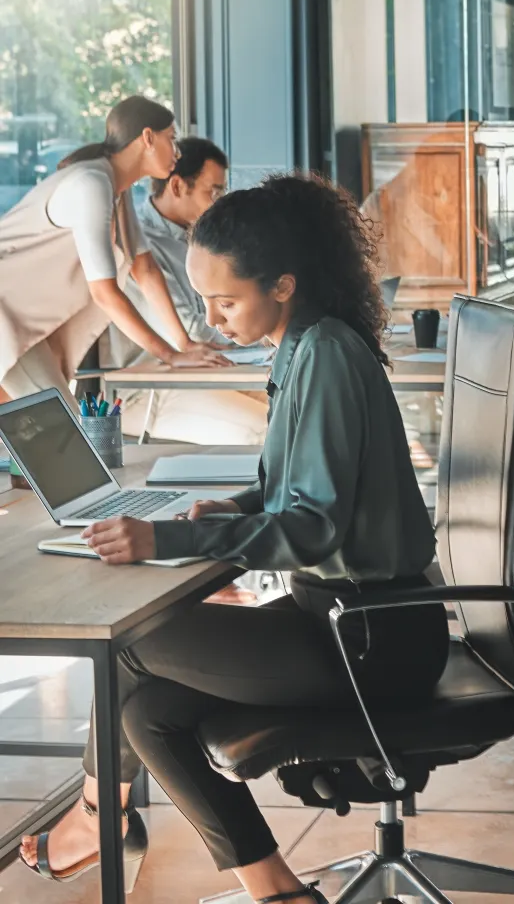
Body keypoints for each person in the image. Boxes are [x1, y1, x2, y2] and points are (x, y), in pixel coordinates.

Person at [19, 175, 445, 904]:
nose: (212, 320)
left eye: (226, 301)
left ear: (282, 284)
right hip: (345, 620)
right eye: (204, 301)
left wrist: (167, 540)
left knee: (121, 645)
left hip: (371, 636)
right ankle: (275, 889)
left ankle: (96, 820)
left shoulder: (326, 357)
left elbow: (314, 524)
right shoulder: (308, 344)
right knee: (147, 712)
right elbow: (303, 488)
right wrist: (236, 504)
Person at [0, 96, 228, 406]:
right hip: (6, 319)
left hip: (22, 322)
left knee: (51, 427)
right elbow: (104, 292)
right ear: (148, 138)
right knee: (59, 427)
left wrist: (183, 345)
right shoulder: (91, 184)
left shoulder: (114, 188)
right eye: (171, 139)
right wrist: (169, 355)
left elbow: (144, 269)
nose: (177, 151)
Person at [115, 136, 270, 445]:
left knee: (298, 410)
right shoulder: (144, 246)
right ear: (176, 186)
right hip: (152, 387)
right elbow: (191, 332)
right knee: (263, 430)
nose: (219, 202)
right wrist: (263, 331)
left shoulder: (199, 238)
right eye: (212, 191)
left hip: (208, 369)